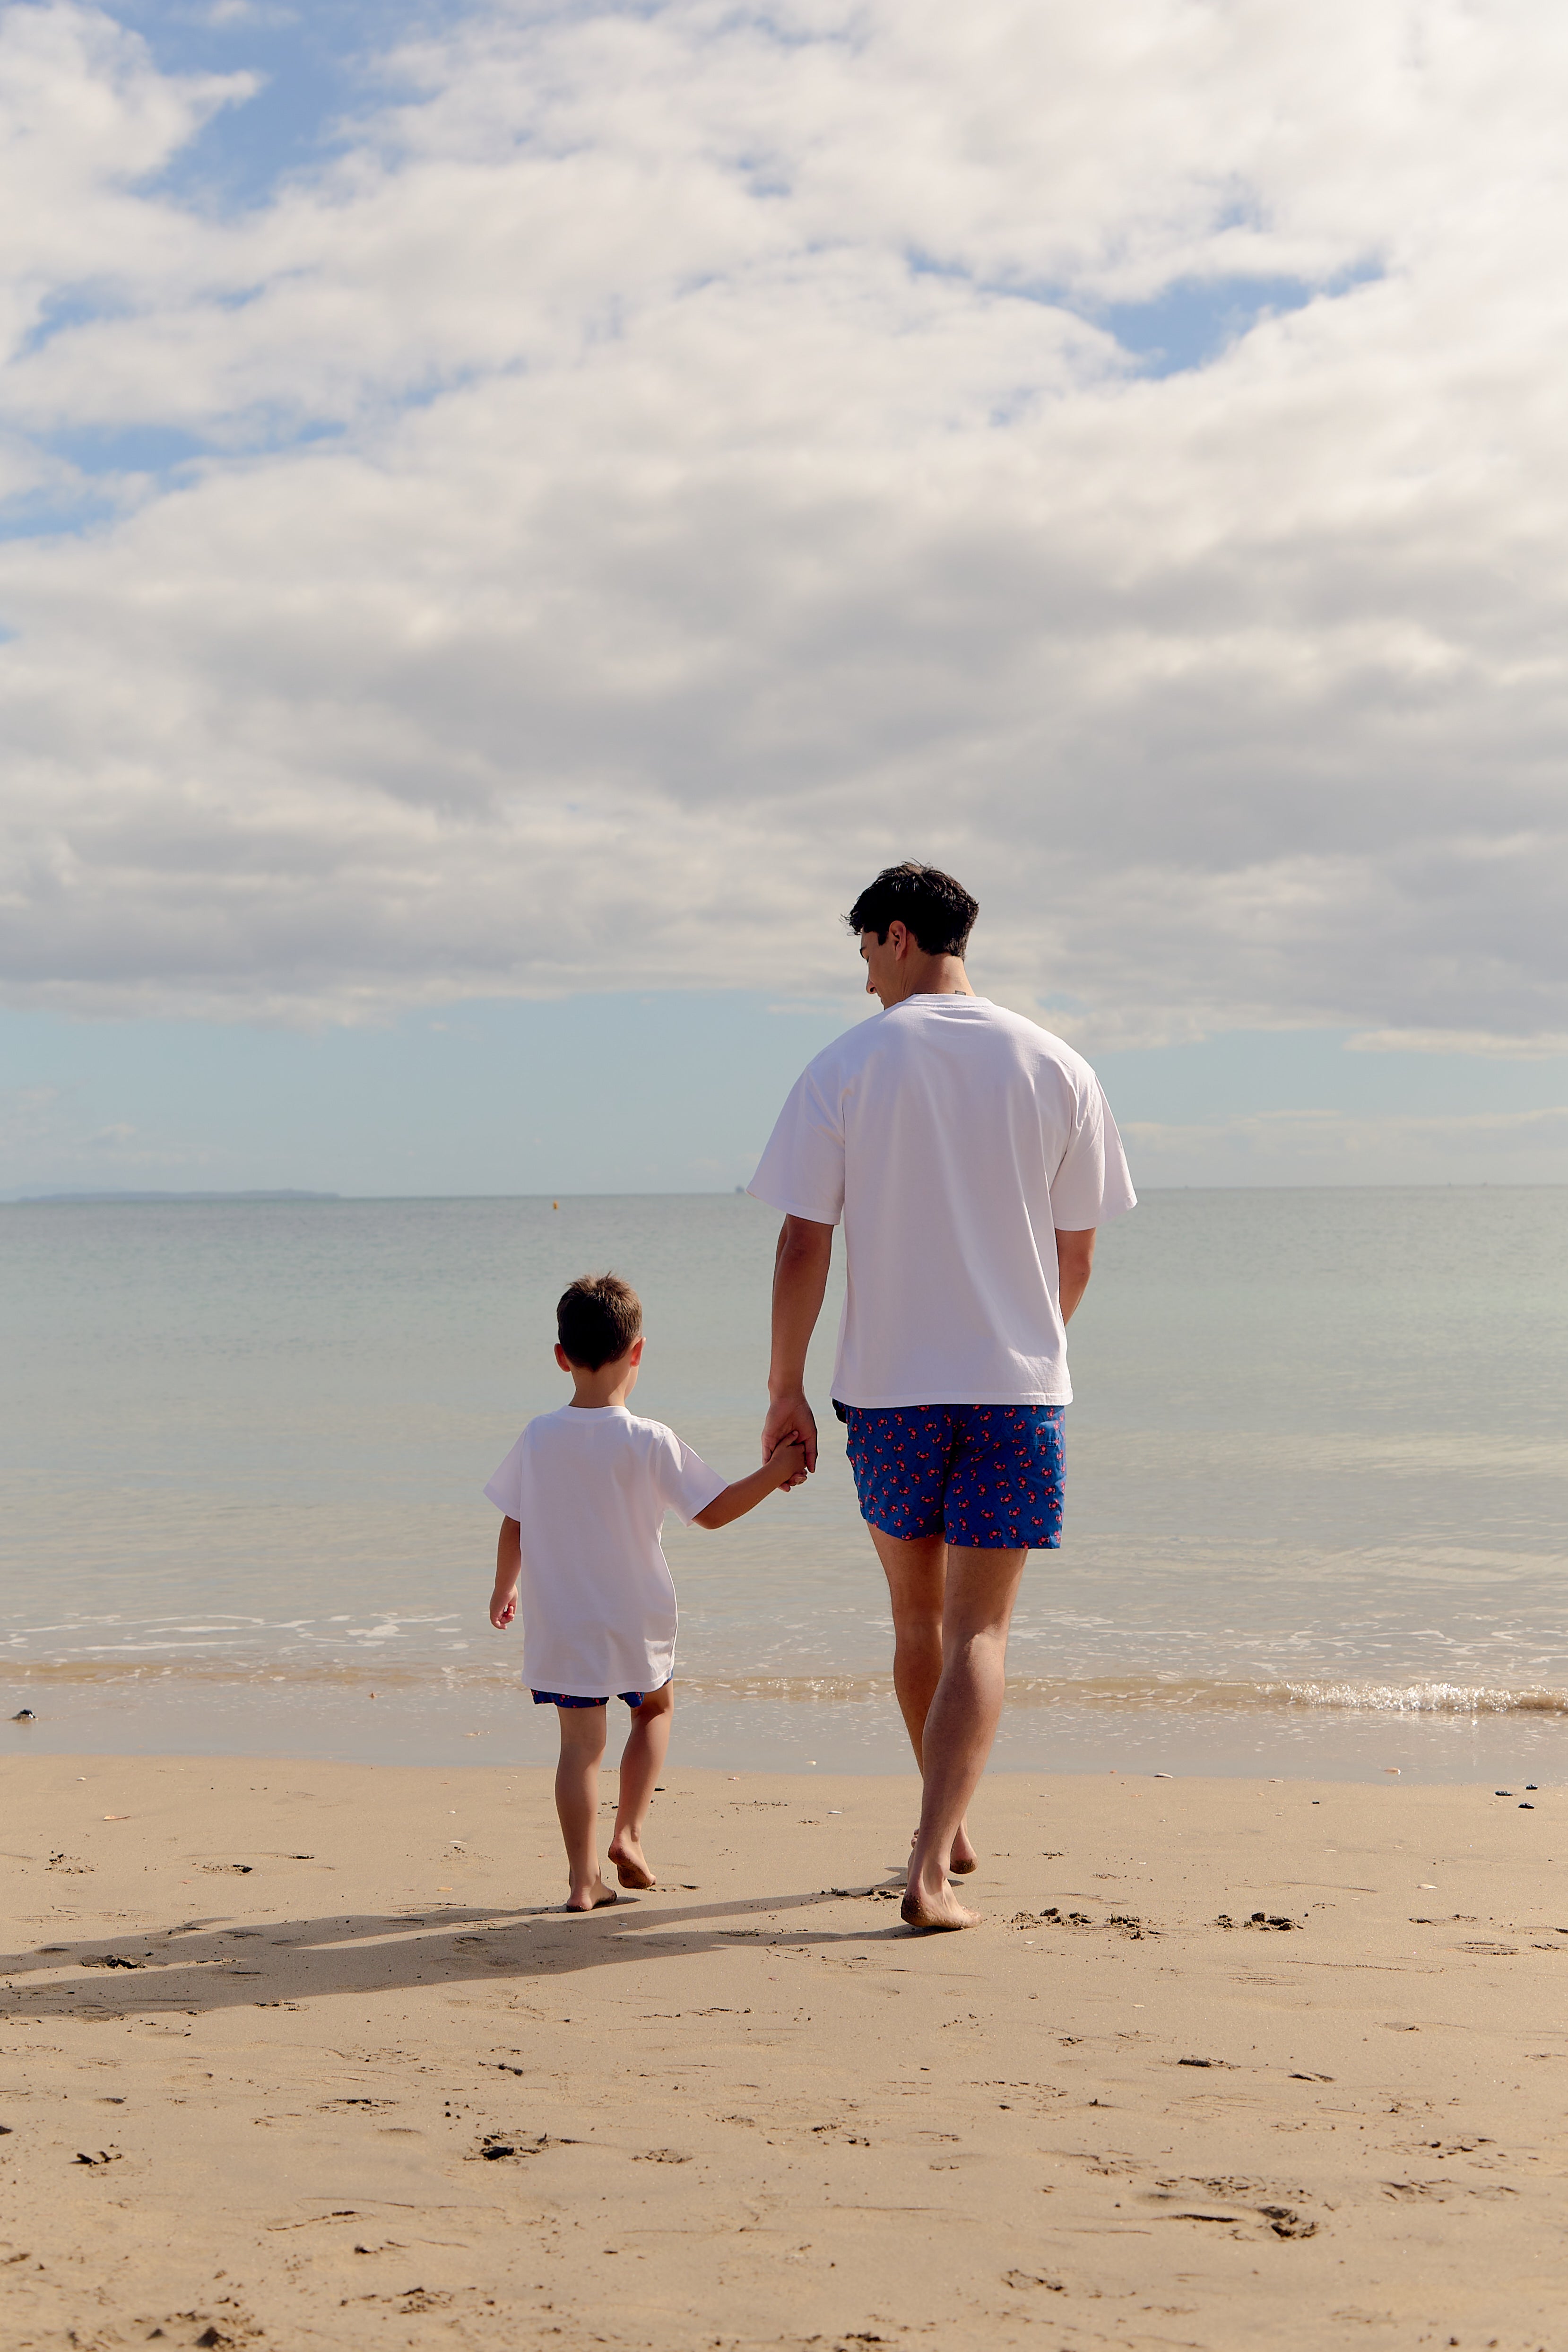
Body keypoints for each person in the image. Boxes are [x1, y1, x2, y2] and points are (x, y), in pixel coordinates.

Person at [749, 862, 1135, 1932]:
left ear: (899, 935)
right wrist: (1030, 1347)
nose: (864, 974)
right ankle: (939, 1845)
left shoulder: (847, 1065)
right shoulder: (1057, 1065)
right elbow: (1081, 1250)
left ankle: (930, 1847)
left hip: (889, 1392)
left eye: (865, 948)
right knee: (981, 1632)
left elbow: (800, 1240)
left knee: (917, 1618)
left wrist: (783, 1386)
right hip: (1016, 1391)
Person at [486, 1272, 805, 1912]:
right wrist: (776, 1472)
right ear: (637, 1352)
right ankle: (628, 1833)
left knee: (578, 1747)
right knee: (652, 1710)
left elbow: (514, 1521)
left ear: (560, 1358)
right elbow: (711, 1511)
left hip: (562, 1618)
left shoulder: (538, 1435)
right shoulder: (648, 1438)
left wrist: (504, 1588)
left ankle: (581, 1881)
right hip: (634, 1614)